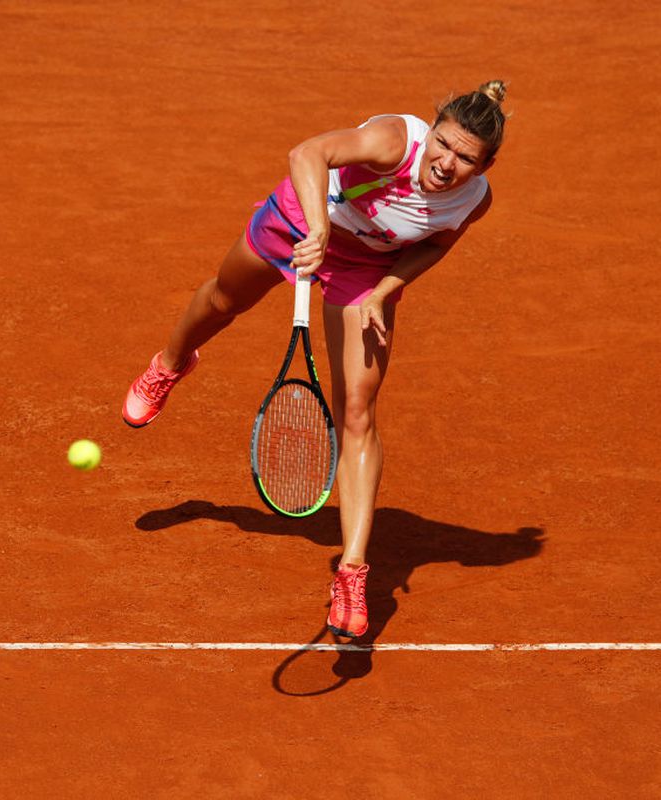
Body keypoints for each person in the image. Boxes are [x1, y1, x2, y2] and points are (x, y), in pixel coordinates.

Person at [122, 81, 509, 638]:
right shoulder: (393, 141)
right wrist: (321, 228)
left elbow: (436, 243)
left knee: (358, 410)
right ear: (433, 131)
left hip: (365, 270)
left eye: (466, 157)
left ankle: (351, 572)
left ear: (486, 163)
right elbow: (308, 153)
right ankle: (172, 362)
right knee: (225, 300)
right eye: (443, 145)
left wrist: (384, 291)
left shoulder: (474, 200)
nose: (447, 164)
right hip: (302, 221)